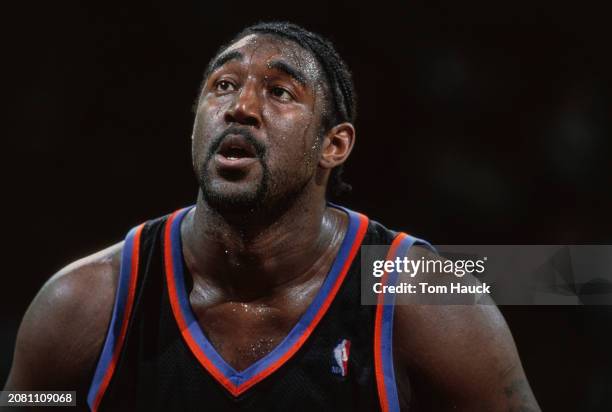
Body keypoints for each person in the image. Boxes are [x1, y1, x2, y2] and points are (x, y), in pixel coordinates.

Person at [4, 22, 540, 411]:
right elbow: (34, 400)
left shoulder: (419, 292)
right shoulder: (88, 299)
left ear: (334, 145)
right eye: (223, 86)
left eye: (279, 92)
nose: (241, 106)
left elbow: (573, 277)